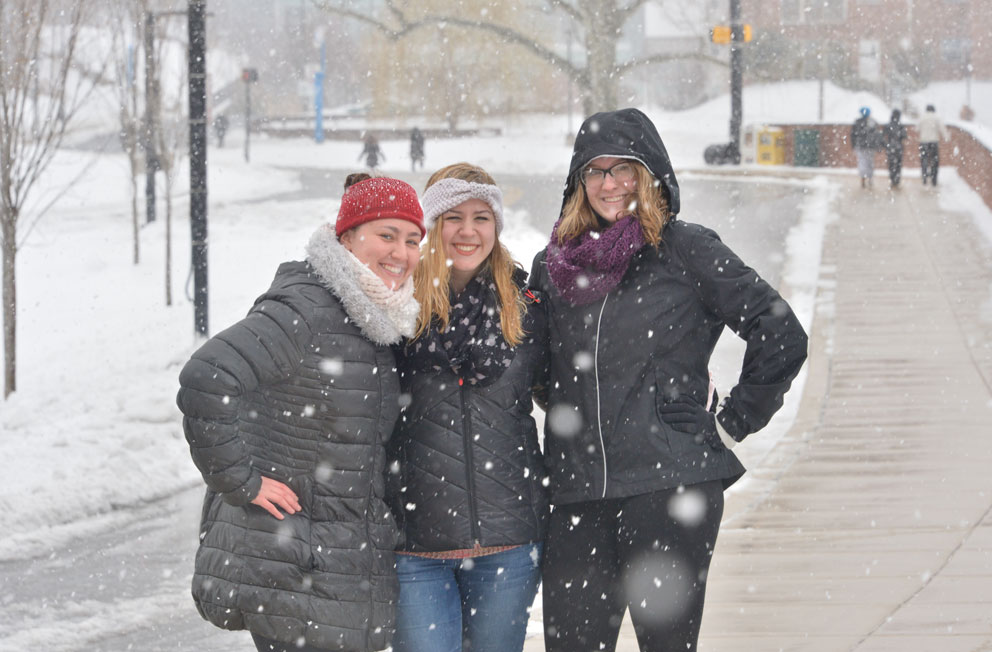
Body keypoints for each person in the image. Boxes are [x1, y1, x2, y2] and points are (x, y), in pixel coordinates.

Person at [529, 108, 808, 652]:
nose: (609, 183)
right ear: (578, 182)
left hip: (667, 489)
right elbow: (540, 370)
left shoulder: (685, 249)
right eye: (595, 170)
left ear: (649, 174)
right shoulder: (554, 266)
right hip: (577, 496)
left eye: (623, 168)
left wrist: (732, 421)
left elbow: (780, 332)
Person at [178, 174, 425, 652]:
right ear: (347, 238)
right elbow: (207, 377)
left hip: (329, 568)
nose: (401, 252)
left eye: (412, 240)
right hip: (292, 565)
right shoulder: (307, 310)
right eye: (387, 235)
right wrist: (242, 482)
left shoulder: (375, 317)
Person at [387, 162, 550, 652]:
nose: (467, 231)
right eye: (452, 217)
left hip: (508, 541)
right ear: (431, 226)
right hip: (414, 544)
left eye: (481, 217)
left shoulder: (526, 307)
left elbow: (570, 393)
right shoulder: (394, 307)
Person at [917, 104, 949, 186]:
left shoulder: (922, 117)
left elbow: (917, 128)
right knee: (934, 161)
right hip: (934, 142)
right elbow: (942, 128)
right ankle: (934, 180)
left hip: (924, 142)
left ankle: (924, 178)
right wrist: (947, 137)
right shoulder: (936, 117)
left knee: (924, 160)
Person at [851, 106, 881, 188]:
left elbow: (853, 135)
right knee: (870, 163)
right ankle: (870, 178)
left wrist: (854, 145)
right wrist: (878, 146)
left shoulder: (857, 122)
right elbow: (877, 135)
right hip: (871, 147)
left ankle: (863, 179)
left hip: (861, 146)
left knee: (862, 163)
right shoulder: (873, 122)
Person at [883, 109, 908, 189]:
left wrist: (886, 145)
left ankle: (892, 179)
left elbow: (883, 135)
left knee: (891, 164)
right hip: (898, 147)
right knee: (898, 165)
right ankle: (897, 180)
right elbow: (904, 136)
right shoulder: (901, 126)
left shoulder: (888, 125)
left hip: (890, 147)